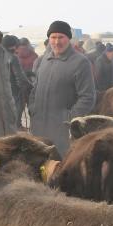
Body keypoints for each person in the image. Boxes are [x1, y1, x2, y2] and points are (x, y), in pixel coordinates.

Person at [29, 20, 95, 155]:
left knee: (61, 168)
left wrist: (69, 118)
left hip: (63, 132)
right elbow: (35, 88)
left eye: (61, 37)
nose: (57, 42)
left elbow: (88, 97)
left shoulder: (80, 62)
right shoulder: (43, 60)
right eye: (53, 37)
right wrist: (32, 109)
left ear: (68, 39)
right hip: (38, 128)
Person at [2, 35, 33, 127]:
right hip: (15, 93)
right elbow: (20, 78)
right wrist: (31, 87)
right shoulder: (13, 58)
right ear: (13, 46)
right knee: (15, 122)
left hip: (1, 94)